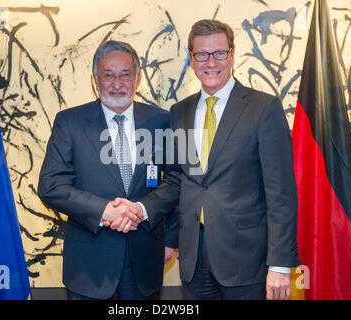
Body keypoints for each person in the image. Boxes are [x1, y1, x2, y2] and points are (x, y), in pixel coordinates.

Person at [113, 19, 299, 300]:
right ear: (191, 59)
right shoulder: (180, 112)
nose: (211, 62)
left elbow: (281, 193)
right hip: (193, 261)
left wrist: (280, 264)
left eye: (219, 53)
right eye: (202, 54)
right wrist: (141, 208)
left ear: (232, 55)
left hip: (247, 262)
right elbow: (176, 180)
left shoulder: (264, 108)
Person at [38, 40, 178, 300]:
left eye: (125, 75)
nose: (117, 84)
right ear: (95, 79)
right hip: (89, 263)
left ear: (137, 78)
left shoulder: (162, 121)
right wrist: (105, 210)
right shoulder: (69, 122)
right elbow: (51, 186)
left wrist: (170, 239)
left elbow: (176, 181)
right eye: (108, 75)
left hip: (145, 260)